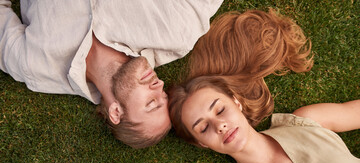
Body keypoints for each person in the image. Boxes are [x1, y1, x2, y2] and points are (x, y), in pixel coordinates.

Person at [168, 9, 360, 163]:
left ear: (237, 102)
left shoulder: (307, 122)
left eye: (220, 110)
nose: (219, 125)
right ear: (201, 143)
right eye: (203, 128)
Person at [0, 0, 223, 148]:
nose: (159, 84)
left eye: (151, 103)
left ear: (116, 112)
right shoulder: (175, 34)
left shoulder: (35, 64)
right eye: (163, 94)